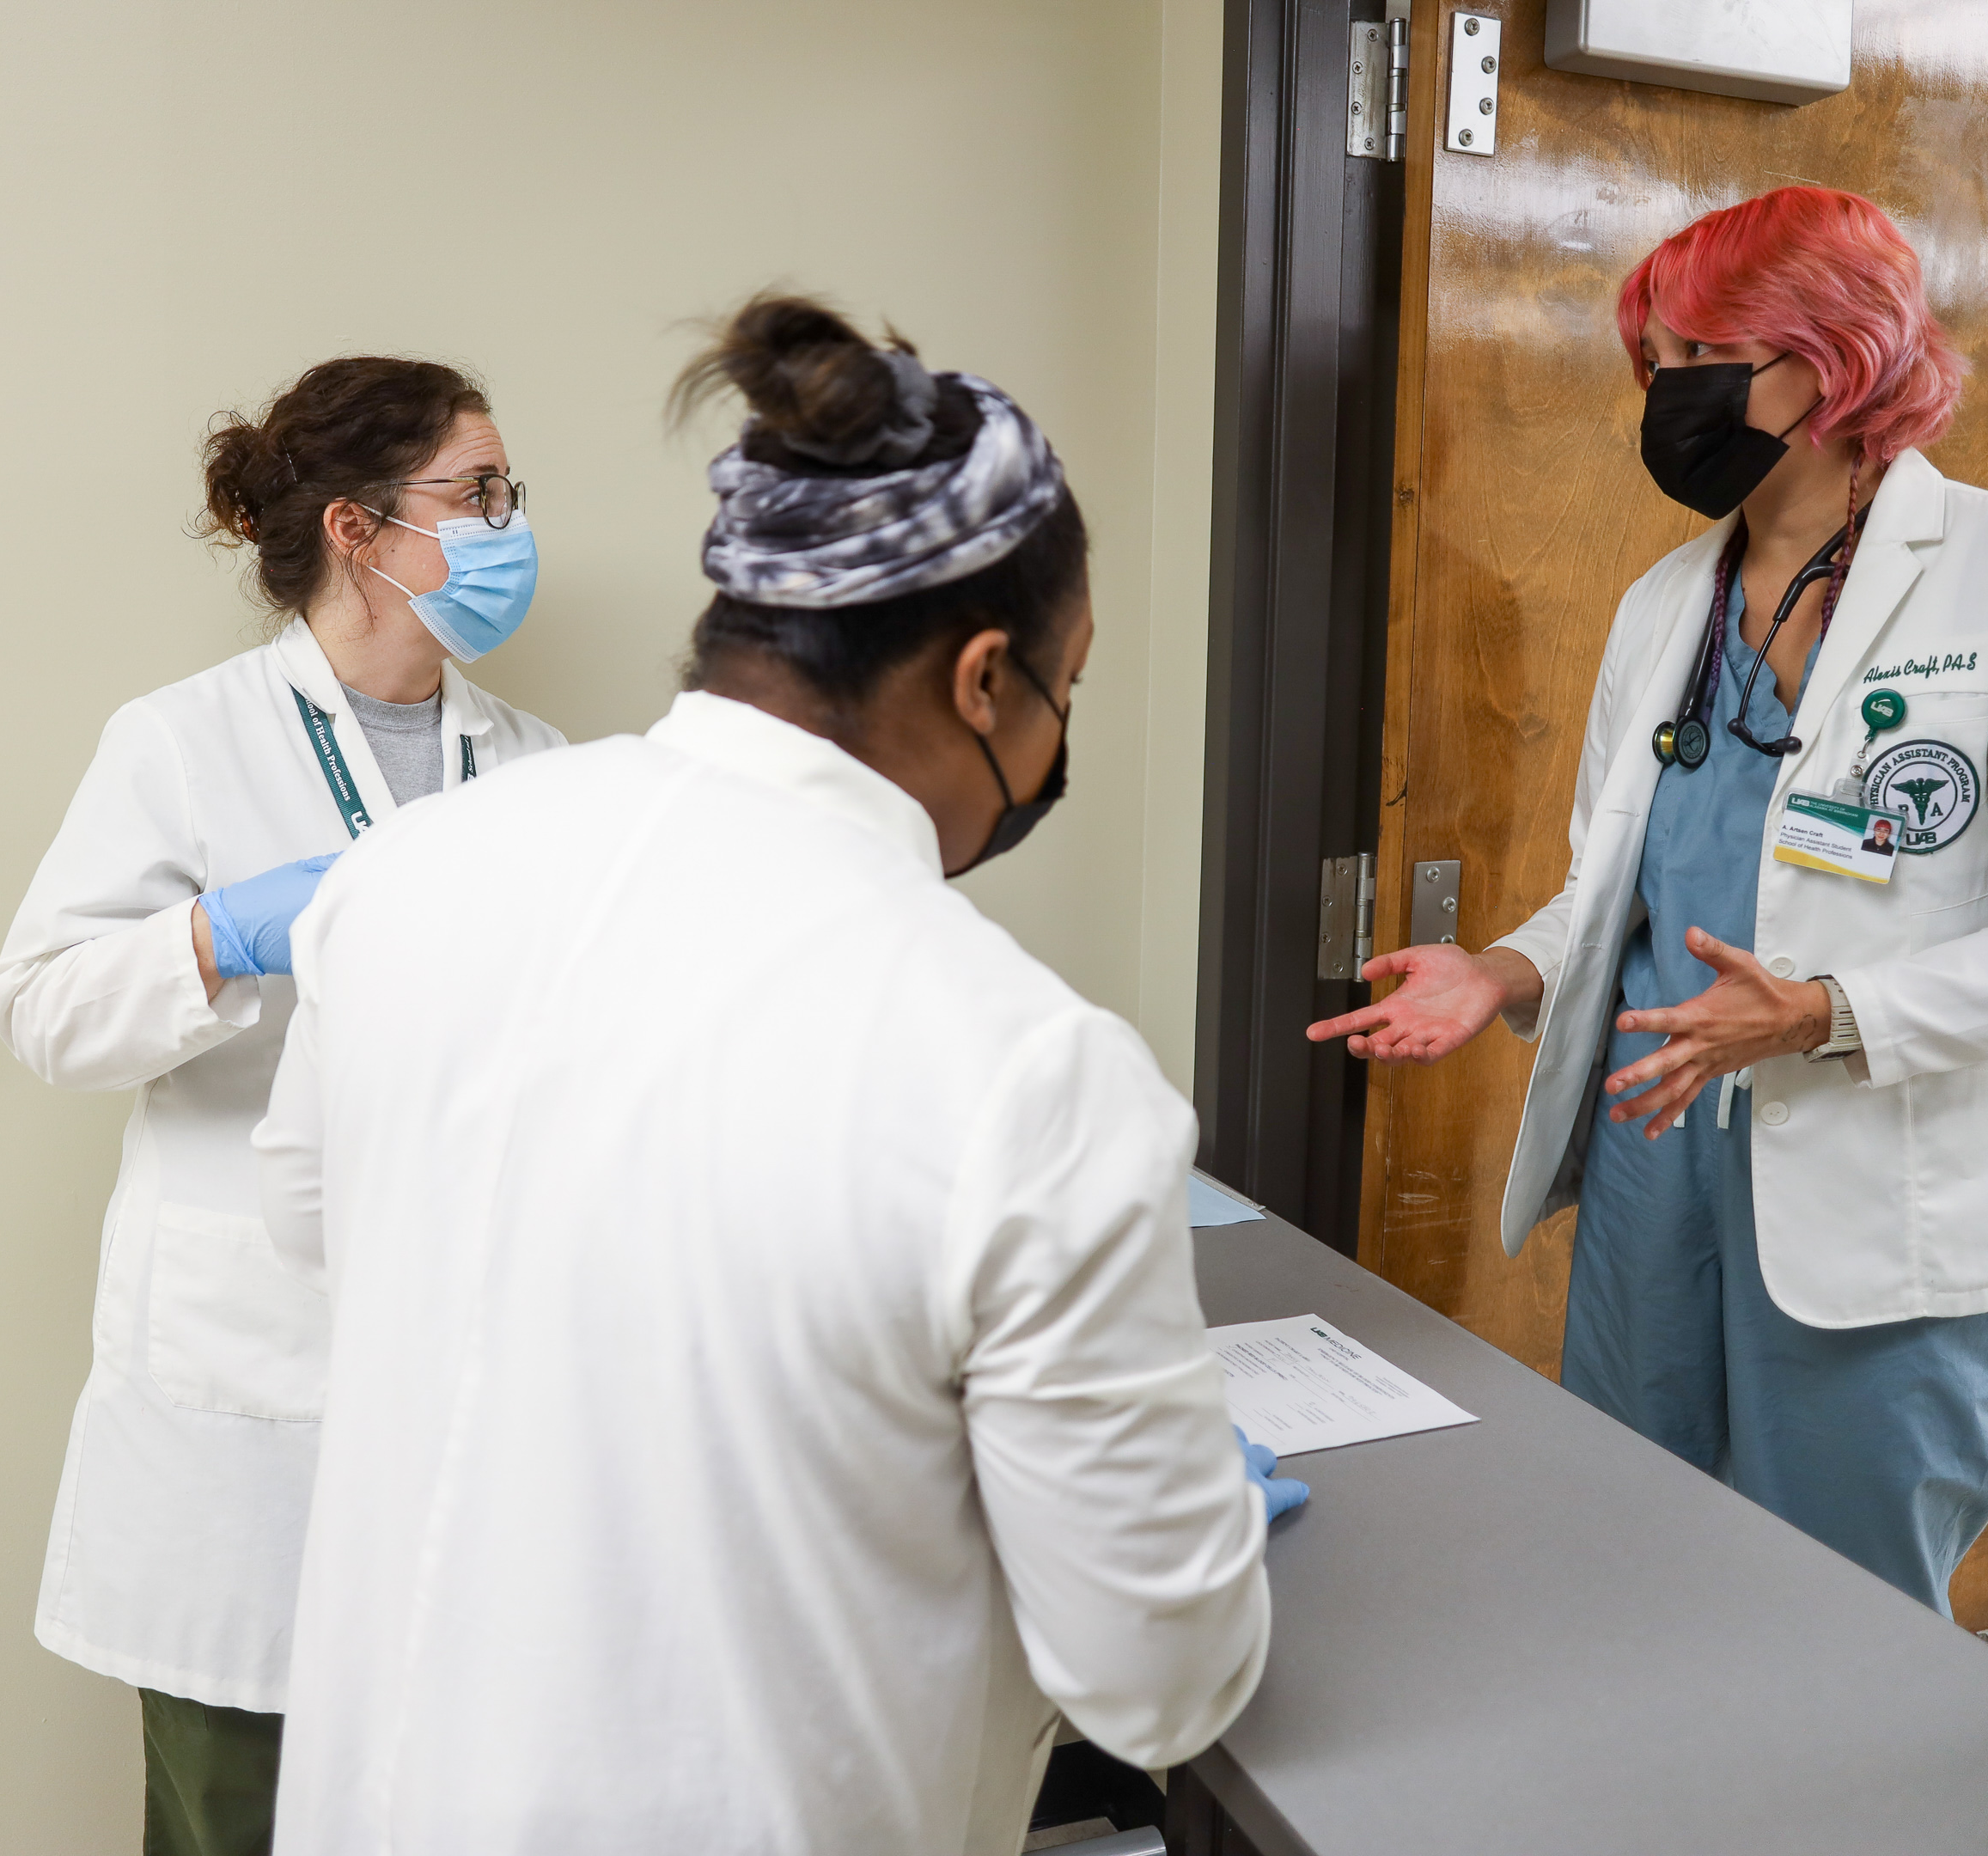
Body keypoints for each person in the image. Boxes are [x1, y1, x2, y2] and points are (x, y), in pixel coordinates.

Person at [256, 296, 1290, 1855]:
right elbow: (1158, 1685)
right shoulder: (1023, 1066)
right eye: (1065, 691)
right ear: (985, 680)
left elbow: (312, 1230)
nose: (1055, 741)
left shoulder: (399, 882)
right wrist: (1176, 1516)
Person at [1308, 187, 1988, 1615]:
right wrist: (1504, 970)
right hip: (1659, 1177)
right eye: (1656, 362)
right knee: (1628, 1558)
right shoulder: (1669, 602)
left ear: (1834, 362)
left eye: (1703, 356)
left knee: (1842, 1612)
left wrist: (1823, 1013)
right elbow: (1618, 890)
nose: (1668, 394)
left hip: (1888, 1185)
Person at [0, 357, 564, 1855]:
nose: (508, 525)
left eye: (508, 493)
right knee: (241, 1804)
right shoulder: (182, 741)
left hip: (477, 1378)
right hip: (251, 1387)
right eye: (478, 494)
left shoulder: (538, 767)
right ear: (361, 529)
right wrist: (222, 937)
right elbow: (42, 1009)